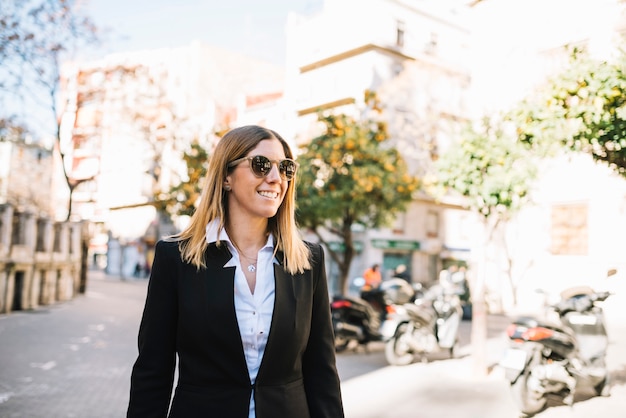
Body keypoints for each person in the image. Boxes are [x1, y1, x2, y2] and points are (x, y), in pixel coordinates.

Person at [127, 125, 344, 418]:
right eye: (261, 165)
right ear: (226, 177)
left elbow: (322, 372)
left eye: (285, 168)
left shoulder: (308, 260)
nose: (275, 178)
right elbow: (153, 371)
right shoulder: (176, 258)